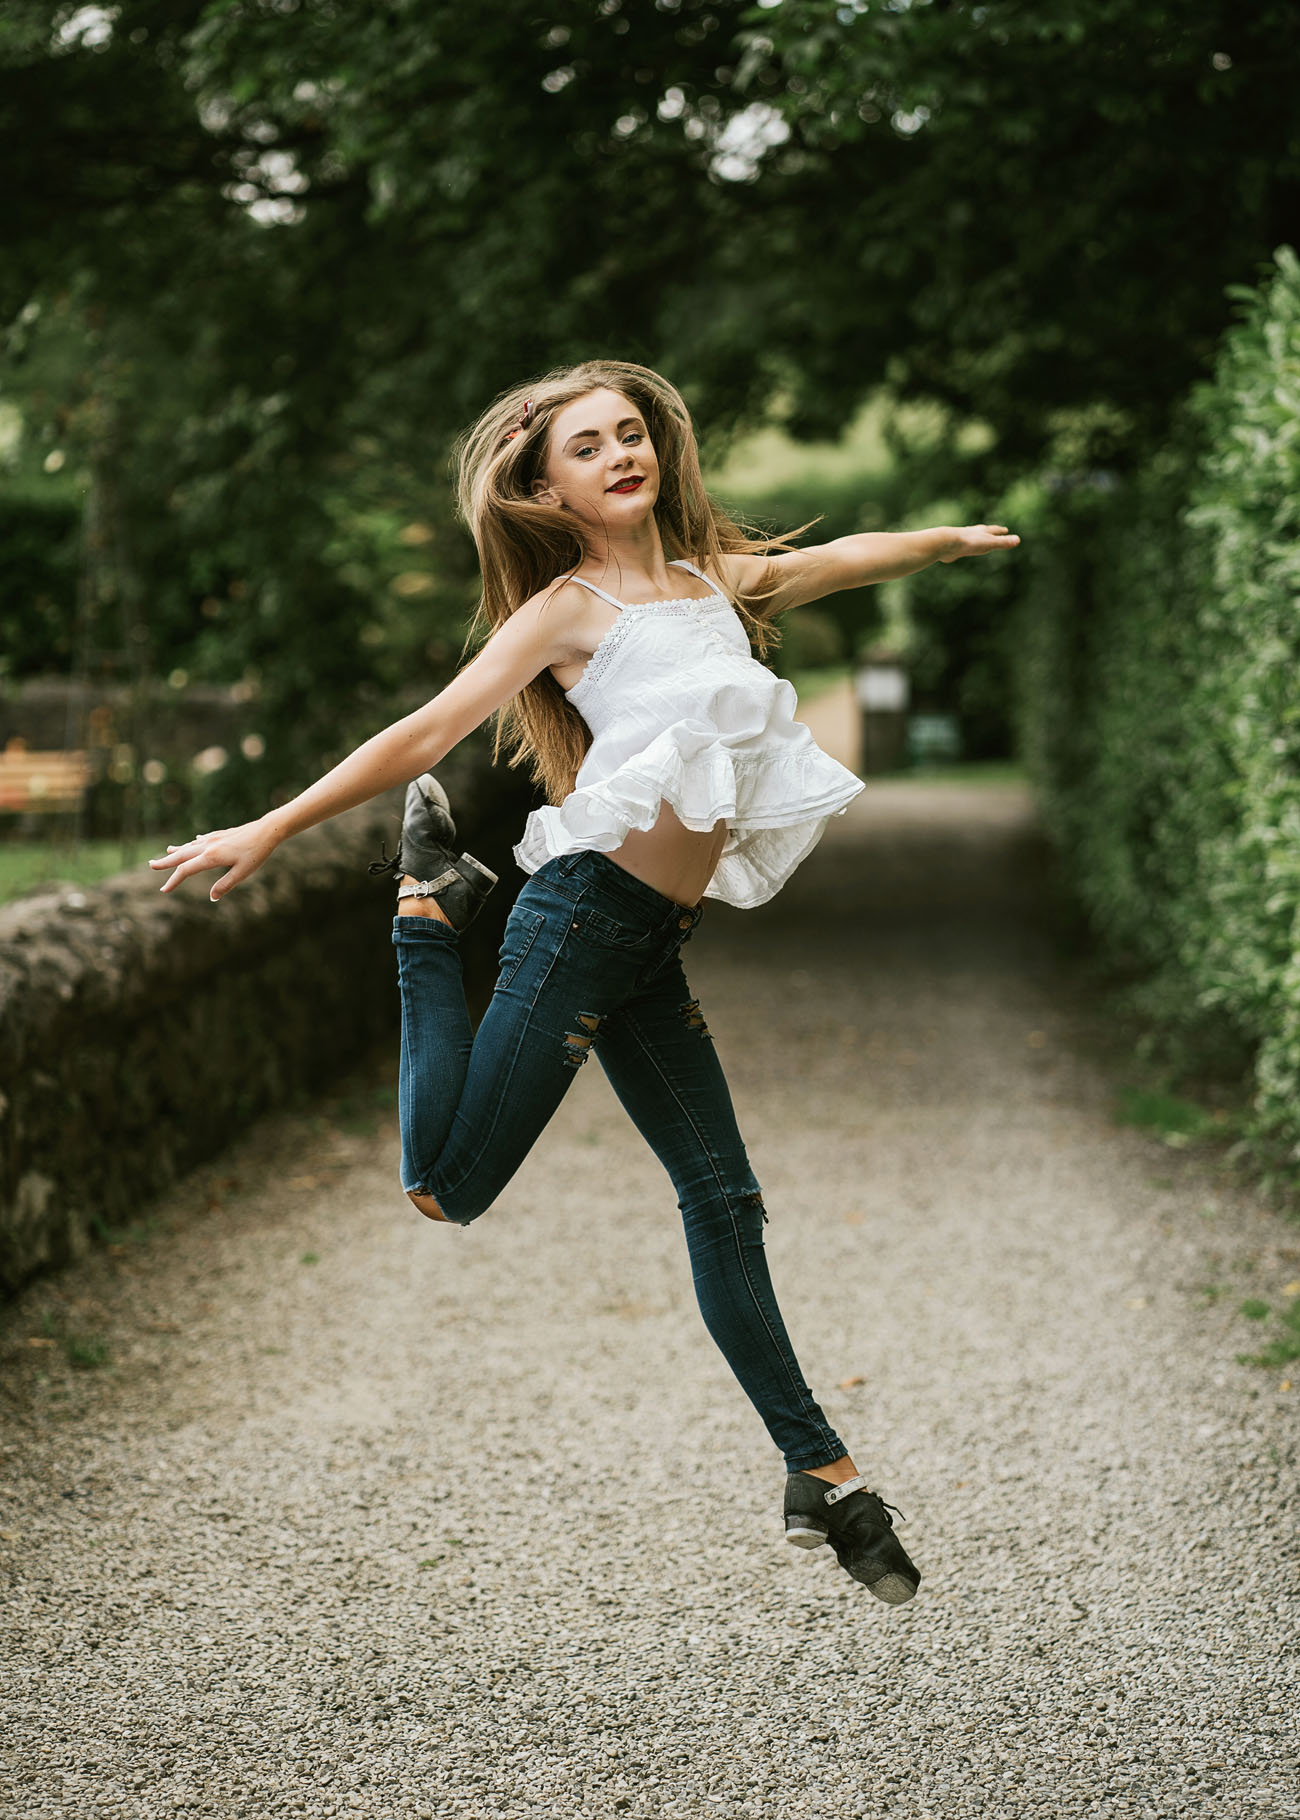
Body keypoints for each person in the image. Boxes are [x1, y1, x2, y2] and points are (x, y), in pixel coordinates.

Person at [149, 359, 1018, 1604]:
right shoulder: (562, 610)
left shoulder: (708, 577)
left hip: (651, 940)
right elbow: (422, 734)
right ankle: (427, 911)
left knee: (725, 1197)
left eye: (630, 433)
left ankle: (818, 1475)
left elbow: (836, 562)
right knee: (446, 1188)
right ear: (544, 484)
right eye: (586, 446)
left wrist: (944, 541)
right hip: (576, 917)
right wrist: (270, 826)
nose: (620, 455)